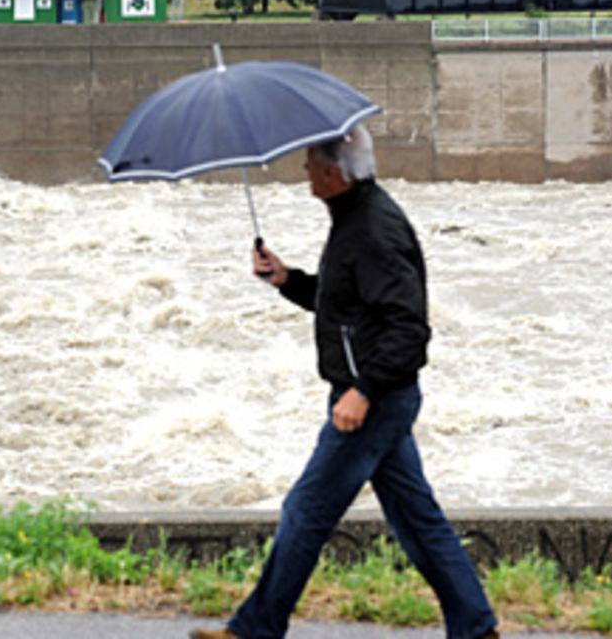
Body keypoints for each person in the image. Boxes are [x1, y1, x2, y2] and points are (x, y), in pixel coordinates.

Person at [190, 125, 499, 639]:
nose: (305, 171)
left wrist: (364, 391)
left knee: (306, 509)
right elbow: (345, 306)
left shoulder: (373, 230)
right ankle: (475, 627)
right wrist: (288, 280)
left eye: (312, 164)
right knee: (416, 518)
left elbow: (409, 329)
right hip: (378, 396)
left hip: (373, 400)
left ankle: (255, 630)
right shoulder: (354, 218)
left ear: (334, 173)